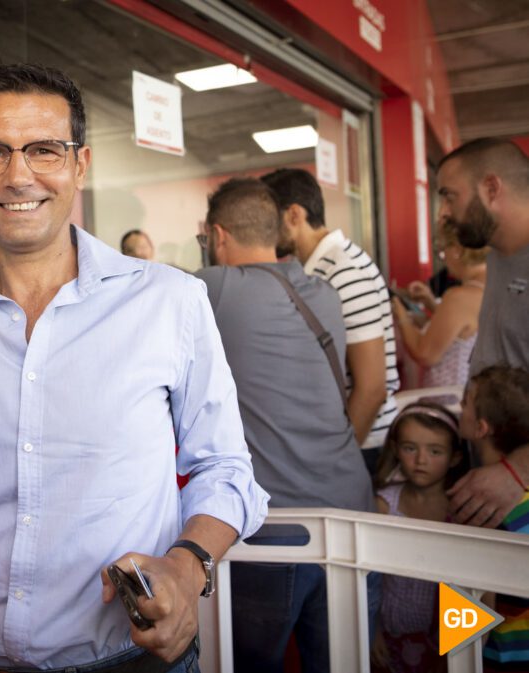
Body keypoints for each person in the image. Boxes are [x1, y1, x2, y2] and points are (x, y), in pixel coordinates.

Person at [0, 64, 269, 673]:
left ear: (80, 164)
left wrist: (185, 565)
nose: (18, 176)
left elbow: (224, 465)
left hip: (130, 659)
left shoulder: (169, 300)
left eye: (44, 150)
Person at [194, 178, 375, 673]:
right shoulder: (324, 294)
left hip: (278, 528)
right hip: (353, 516)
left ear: (218, 236)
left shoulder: (216, 288)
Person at [262, 168, 399, 473]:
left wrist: (339, 463)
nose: (265, 231)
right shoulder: (322, 267)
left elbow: (372, 387)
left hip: (364, 446)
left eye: (269, 220)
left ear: (294, 215)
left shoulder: (342, 270)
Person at [434, 138, 529, 529]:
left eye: (449, 197)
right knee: (475, 591)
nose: (443, 213)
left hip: (516, 483)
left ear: (492, 189)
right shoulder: (499, 256)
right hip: (496, 477)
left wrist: (518, 472)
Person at [371, 402, 469, 673]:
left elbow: (477, 588)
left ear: (455, 457)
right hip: (389, 635)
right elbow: (368, 576)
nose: (421, 460)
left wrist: (459, 648)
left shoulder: (462, 510)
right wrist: (372, 628)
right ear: (395, 449)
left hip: (444, 643)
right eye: (410, 448)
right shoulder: (384, 505)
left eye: (435, 451)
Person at [458, 365, 529, 672]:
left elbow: (472, 607)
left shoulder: (479, 507)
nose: (459, 410)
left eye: (464, 404)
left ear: (481, 428)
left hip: (499, 660)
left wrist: (454, 659)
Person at [393, 219, 487, 387]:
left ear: (457, 250)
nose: (444, 259)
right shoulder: (489, 285)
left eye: (444, 251)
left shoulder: (460, 297)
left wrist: (400, 313)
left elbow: (425, 353)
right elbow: (463, 329)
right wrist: (431, 303)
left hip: (448, 399)